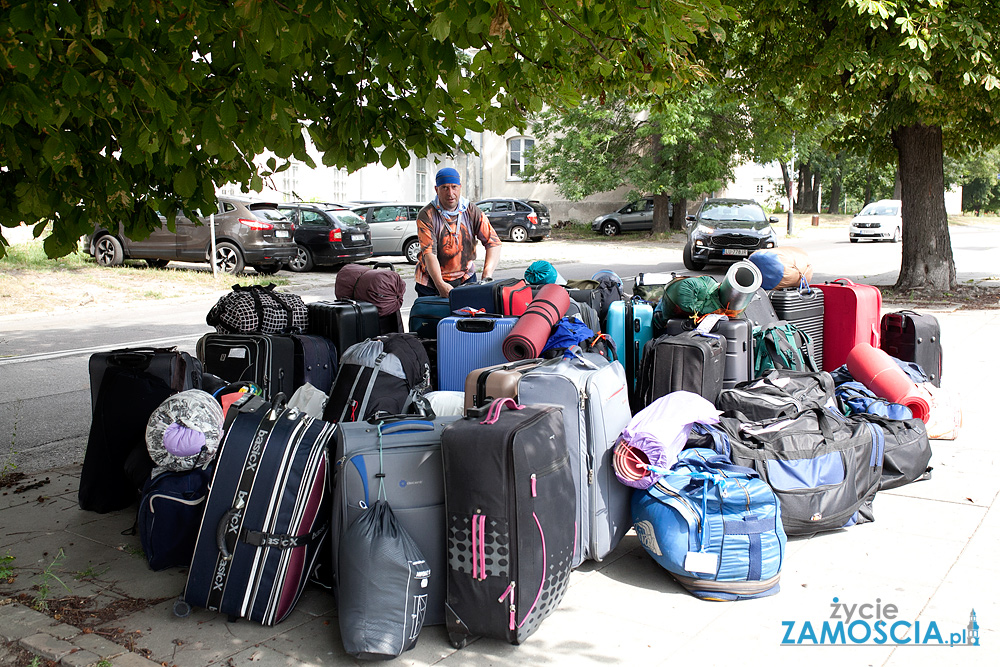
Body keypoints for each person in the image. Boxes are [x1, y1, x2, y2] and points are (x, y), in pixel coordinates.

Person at [413, 167, 501, 297]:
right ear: (436, 189)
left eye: (454, 187)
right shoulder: (427, 214)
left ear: (460, 187)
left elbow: (493, 242)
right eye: (444, 188)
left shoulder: (471, 211)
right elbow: (429, 253)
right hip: (432, 283)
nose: (450, 193)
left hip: (466, 279)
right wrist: (439, 284)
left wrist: (486, 276)